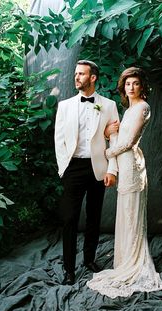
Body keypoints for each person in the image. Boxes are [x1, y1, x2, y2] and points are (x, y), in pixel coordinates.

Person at [87, 67, 162, 298]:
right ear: (123, 87)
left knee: (132, 213)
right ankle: (124, 261)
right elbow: (121, 135)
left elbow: (129, 142)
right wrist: (108, 132)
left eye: (135, 84)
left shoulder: (143, 107)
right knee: (125, 212)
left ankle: (134, 263)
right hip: (123, 164)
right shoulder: (130, 108)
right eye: (128, 84)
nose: (131, 87)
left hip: (131, 164)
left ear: (142, 86)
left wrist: (107, 152)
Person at [54, 60, 119, 285]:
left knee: (94, 216)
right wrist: (64, 168)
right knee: (69, 218)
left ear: (93, 78)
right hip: (73, 167)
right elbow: (59, 140)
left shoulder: (109, 105)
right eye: (76, 73)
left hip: (98, 167)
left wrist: (112, 169)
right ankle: (69, 269)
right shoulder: (64, 106)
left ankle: (89, 259)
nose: (77, 77)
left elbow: (115, 140)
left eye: (81, 74)